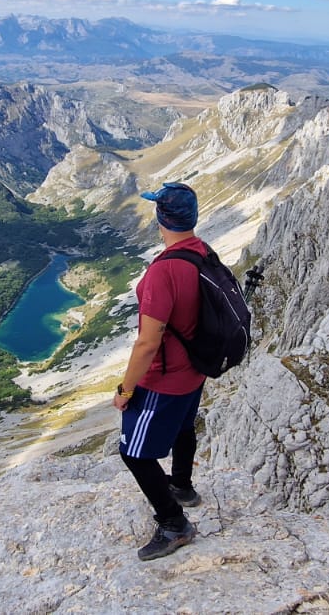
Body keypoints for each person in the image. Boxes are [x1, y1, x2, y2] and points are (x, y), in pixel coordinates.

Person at [114, 181, 209, 561]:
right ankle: (183, 487)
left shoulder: (162, 273)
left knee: (133, 453)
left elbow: (147, 343)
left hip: (164, 379)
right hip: (195, 371)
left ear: (161, 219)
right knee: (184, 427)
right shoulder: (203, 253)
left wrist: (125, 390)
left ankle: (174, 523)